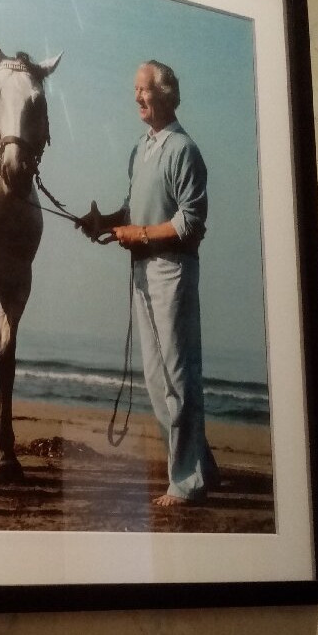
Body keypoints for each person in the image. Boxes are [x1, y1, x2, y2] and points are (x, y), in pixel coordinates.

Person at [77, 60, 219, 507]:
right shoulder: (141, 149)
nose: (136, 97)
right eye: (135, 90)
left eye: (143, 89)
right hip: (143, 271)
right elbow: (133, 208)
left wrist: (137, 234)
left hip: (171, 271)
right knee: (158, 378)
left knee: (177, 374)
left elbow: (191, 223)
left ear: (166, 94)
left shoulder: (183, 149)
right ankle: (201, 468)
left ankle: (187, 481)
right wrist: (105, 222)